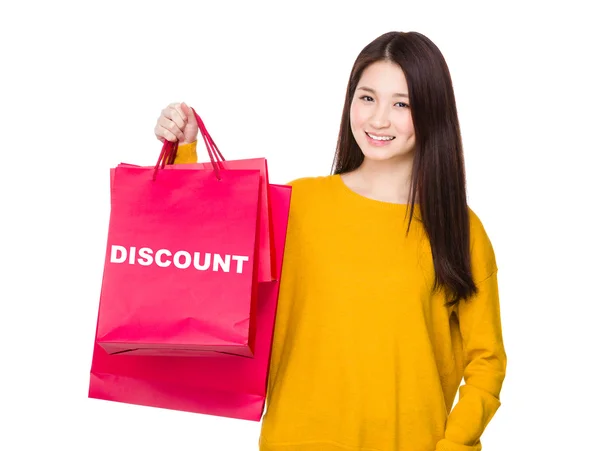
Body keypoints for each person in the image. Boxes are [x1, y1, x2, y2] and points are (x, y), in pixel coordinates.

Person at [154, 31, 507, 451]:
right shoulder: (298, 204)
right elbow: (203, 254)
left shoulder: (458, 228)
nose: (378, 120)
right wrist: (185, 150)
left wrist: (454, 443)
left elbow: (486, 361)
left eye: (402, 104)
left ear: (433, 112)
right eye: (367, 98)